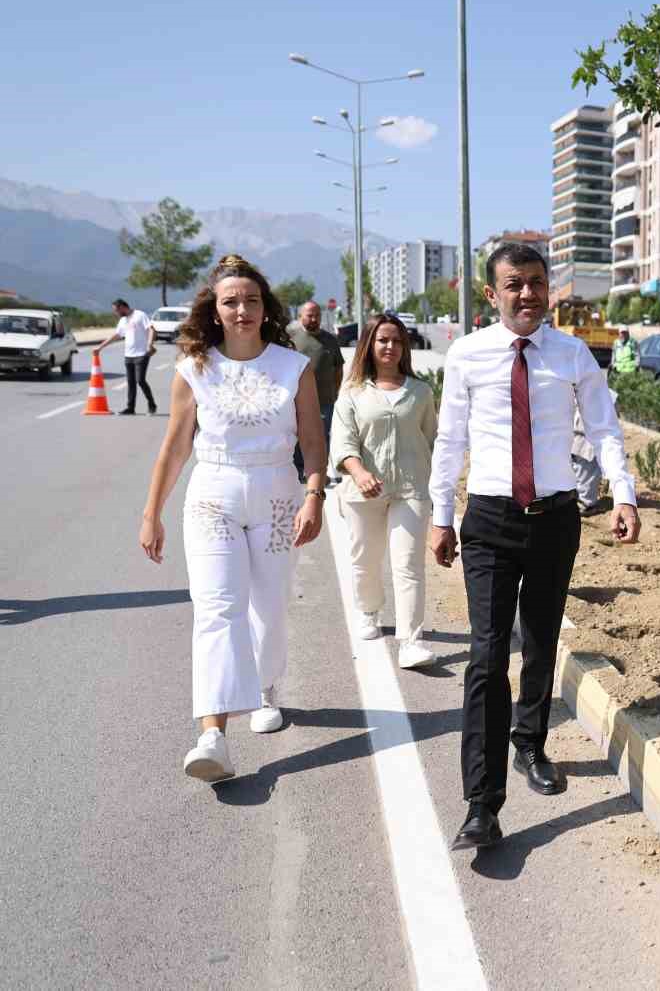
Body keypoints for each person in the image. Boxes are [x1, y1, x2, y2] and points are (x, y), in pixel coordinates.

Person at [428, 242, 641, 851]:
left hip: (554, 519)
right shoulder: (467, 356)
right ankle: (481, 804)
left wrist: (622, 495)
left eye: (537, 283)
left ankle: (530, 743)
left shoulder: (573, 355)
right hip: (490, 521)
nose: (528, 294)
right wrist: (442, 516)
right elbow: (449, 441)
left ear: (550, 291)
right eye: (514, 284)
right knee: (487, 658)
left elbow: (603, 428)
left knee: (542, 641)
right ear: (491, 295)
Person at [139, 255, 326, 782]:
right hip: (212, 495)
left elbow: (313, 442)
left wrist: (313, 495)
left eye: (251, 300)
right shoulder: (193, 370)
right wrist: (152, 513)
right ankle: (212, 735)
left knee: (267, 606)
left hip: (276, 496)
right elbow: (175, 448)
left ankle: (267, 689)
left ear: (265, 307)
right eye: (230, 302)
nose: (241, 309)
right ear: (214, 311)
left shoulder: (294, 368)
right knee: (217, 609)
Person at [331, 313, 440, 670]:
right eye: (382, 340)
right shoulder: (353, 393)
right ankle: (369, 610)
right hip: (363, 494)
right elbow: (343, 443)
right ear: (369, 346)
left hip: (411, 491)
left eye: (396, 340)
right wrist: (359, 472)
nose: (390, 346)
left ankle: (411, 641)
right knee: (365, 559)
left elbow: (430, 440)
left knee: (408, 566)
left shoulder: (421, 392)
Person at [287, 300, 345, 482]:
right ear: (300, 317)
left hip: (324, 400)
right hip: (295, 401)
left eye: (317, 315)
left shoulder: (330, 340)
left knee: (322, 437)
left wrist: (335, 391)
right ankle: (299, 471)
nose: (313, 319)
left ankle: (320, 472)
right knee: (296, 437)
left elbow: (338, 368)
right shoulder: (291, 339)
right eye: (309, 315)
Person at [96, 298, 157, 415]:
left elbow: (151, 329)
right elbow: (116, 335)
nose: (116, 313)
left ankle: (152, 404)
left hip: (142, 353)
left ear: (122, 307)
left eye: (116, 310)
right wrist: (100, 347)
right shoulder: (123, 321)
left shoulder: (140, 315)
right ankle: (130, 408)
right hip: (128, 355)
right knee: (131, 382)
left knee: (140, 380)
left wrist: (150, 344)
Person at [571, 391, 619, 518]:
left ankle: (577, 500)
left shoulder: (577, 391)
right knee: (588, 474)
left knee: (579, 471)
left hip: (575, 439)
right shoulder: (607, 395)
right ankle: (584, 505)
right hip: (589, 442)